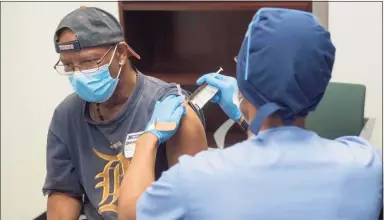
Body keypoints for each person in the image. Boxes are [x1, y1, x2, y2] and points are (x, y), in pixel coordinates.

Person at [117, 8, 383, 220]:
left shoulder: (196, 178)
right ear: (322, 83)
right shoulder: (364, 164)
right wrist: (247, 117)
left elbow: (131, 214)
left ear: (244, 80)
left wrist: (148, 138)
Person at [42, 6, 208, 220]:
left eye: (89, 62)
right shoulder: (67, 115)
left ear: (121, 53)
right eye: (68, 66)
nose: (79, 74)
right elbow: (63, 191)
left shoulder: (171, 109)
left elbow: (192, 203)